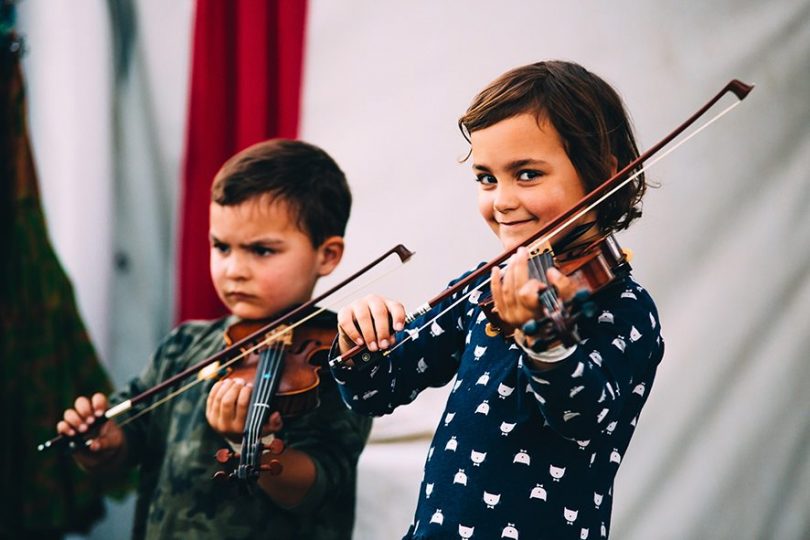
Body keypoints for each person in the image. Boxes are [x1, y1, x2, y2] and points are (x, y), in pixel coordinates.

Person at [331, 61, 665, 539]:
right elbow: (376, 390)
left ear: (603, 176)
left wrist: (543, 337)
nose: (502, 200)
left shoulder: (623, 307)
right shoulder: (483, 287)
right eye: (487, 179)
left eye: (526, 174)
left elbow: (582, 417)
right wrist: (357, 335)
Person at [56, 139, 372, 540]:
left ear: (326, 255)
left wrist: (255, 441)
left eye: (261, 251)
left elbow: (318, 485)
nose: (234, 269)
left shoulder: (341, 357)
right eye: (221, 247)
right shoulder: (184, 345)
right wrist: (103, 443)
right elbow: (132, 443)